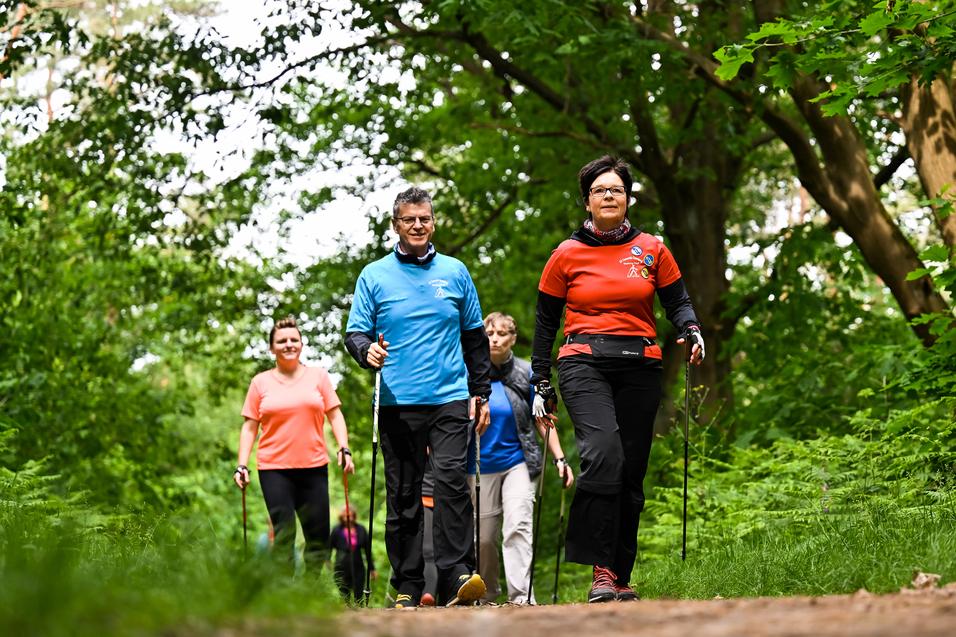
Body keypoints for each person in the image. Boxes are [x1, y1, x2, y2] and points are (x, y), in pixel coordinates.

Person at [531, 156, 704, 603]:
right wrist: (539, 380)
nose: (609, 196)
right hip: (582, 361)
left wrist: (691, 330)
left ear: (628, 199)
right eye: (599, 190)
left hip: (640, 363)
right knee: (603, 453)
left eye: (616, 190)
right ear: (587, 202)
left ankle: (618, 573)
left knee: (631, 472)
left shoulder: (652, 249)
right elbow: (546, 323)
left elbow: (678, 302)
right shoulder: (565, 255)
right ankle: (600, 570)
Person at [344, 186, 493, 608]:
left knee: (451, 484)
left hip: (449, 396)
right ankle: (408, 584)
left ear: (433, 222)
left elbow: (474, 338)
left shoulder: (456, 271)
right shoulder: (374, 275)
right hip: (396, 401)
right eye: (409, 219)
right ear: (396, 225)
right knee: (404, 495)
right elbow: (356, 333)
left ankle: (457, 576)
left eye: (424, 218)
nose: (417, 225)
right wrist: (364, 351)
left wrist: (480, 393)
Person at [234, 316, 355, 572]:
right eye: (282, 341)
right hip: (274, 469)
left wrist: (344, 448)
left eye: (294, 339)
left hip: (313, 467)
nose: (288, 344)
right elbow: (249, 426)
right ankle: (284, 597)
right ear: (272, 348)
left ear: (301, 344)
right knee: (284, 534)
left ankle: (308, 594)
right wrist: (241, 465)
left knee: (318, 538)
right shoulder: (260, 382)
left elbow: (335, 415)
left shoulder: (318, 377)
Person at [470, 311, 574, 604]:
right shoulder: (469, 373)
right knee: (484, 538)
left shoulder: (526, 373)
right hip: (478, 465)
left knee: (517, 525)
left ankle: (521, 598)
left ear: (513, 338)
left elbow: (543, 420)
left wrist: (560, 459)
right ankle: (487, 595)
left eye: (502, 333)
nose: (495, 339)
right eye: (489, 334)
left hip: (518, 462)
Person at [330, 506, 376, 603]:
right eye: (346, 515)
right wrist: (327, 559)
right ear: (341, 516)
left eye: (350, 515)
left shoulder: (361, 529)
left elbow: (368, 550)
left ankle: (360, 612)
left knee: (358, 594)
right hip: (341, 566)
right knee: (344, 593)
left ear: (354, 515)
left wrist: (372, 569)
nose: (348, 517)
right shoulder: (336, 530)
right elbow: (329, 546)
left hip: (358, 566)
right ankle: (347, 611)